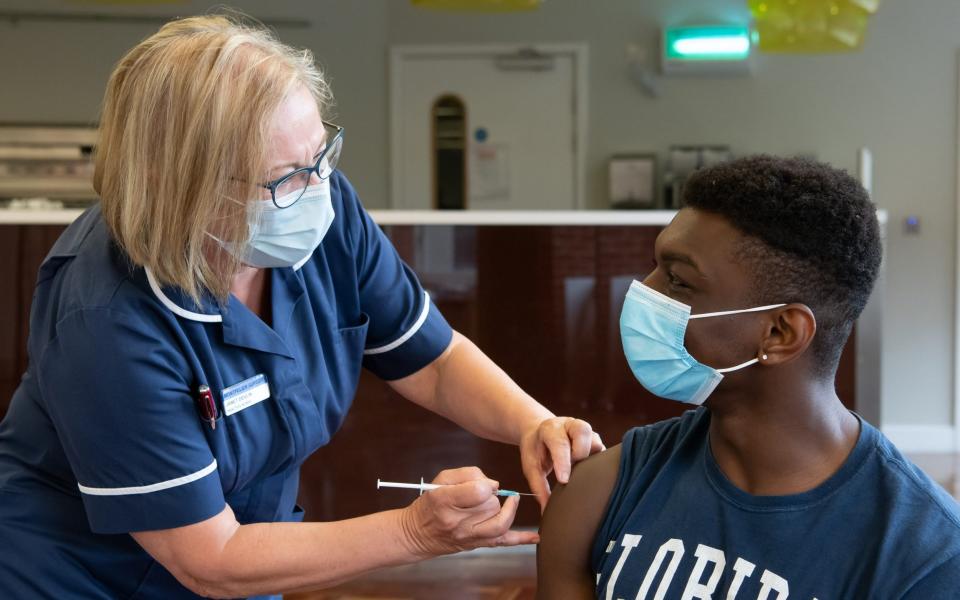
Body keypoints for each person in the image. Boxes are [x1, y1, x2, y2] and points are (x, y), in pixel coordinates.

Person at [0, 15, 603, 599]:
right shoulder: (108, 321)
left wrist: (533, 423)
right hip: (82, 576)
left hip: (252, 553)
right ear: (184, 189)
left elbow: (433, 360)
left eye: (323, 155)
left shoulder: (321, 207)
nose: (320, 191)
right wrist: (415, 531)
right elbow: (212, 560)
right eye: (285, 177)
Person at [537, 155, 960, 598]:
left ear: (779, 333)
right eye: (656, 268)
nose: (643, 290)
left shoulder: (925, 560)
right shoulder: (597, 491)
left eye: (678, 281)